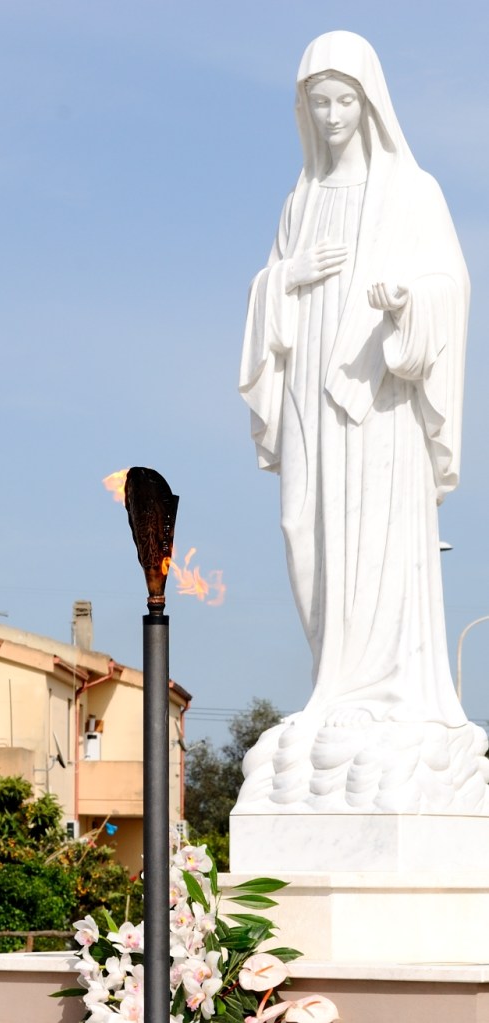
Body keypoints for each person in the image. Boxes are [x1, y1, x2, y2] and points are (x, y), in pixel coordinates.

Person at [239, 31, 469, 731]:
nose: (333, 116)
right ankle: (331, 680)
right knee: (302, 524)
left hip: (379, 391)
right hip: (310, 384)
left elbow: (452, 284)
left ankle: (378, 690)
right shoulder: (300, 200)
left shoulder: (413, 191)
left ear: (369, 104)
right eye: (320, 102)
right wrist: (289, 276)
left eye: (344, 101)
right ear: (303, 108)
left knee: (374, 532)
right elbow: (268, 285)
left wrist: (407, 302)